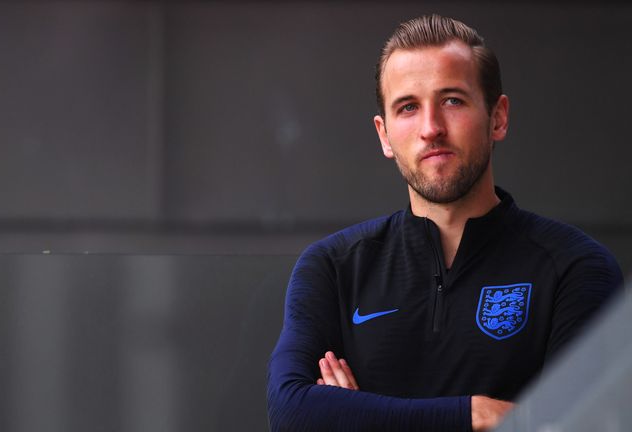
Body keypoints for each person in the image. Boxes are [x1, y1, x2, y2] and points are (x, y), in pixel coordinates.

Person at [266, 14, 623, 432]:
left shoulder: (576, 267)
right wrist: (476, 414)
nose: (431, 128)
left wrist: (357, 417)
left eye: (452, 100)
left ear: (498, 117)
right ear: (384, 134)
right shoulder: (333, 267)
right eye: (408, 108)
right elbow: (292, 413)